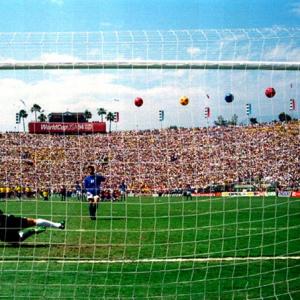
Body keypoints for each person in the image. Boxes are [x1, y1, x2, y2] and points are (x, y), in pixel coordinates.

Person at [0, 209, 65, 244]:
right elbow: (1, 213)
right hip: (8, 221)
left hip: (2, 232)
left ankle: (32, 231)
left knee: (17, 240)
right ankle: (58, 225)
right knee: (34, 221)